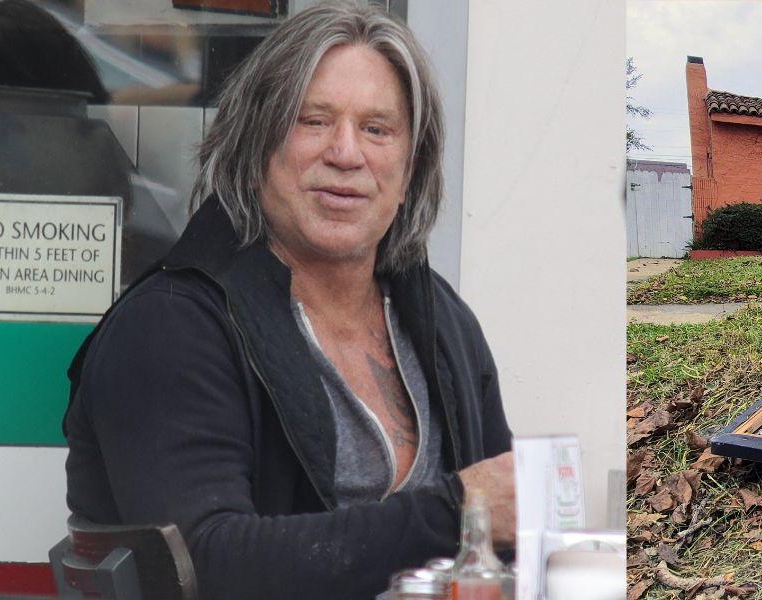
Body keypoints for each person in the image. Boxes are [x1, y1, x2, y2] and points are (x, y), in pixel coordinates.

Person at [62, 3, 515, 598]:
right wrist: (455, 509)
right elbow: (208, 563)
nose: (346, 153)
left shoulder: (440, 320)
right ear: (255, 152)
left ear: (409, 172)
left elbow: (508, 522)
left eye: (377, 129)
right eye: (312, 120)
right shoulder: (170, 326)